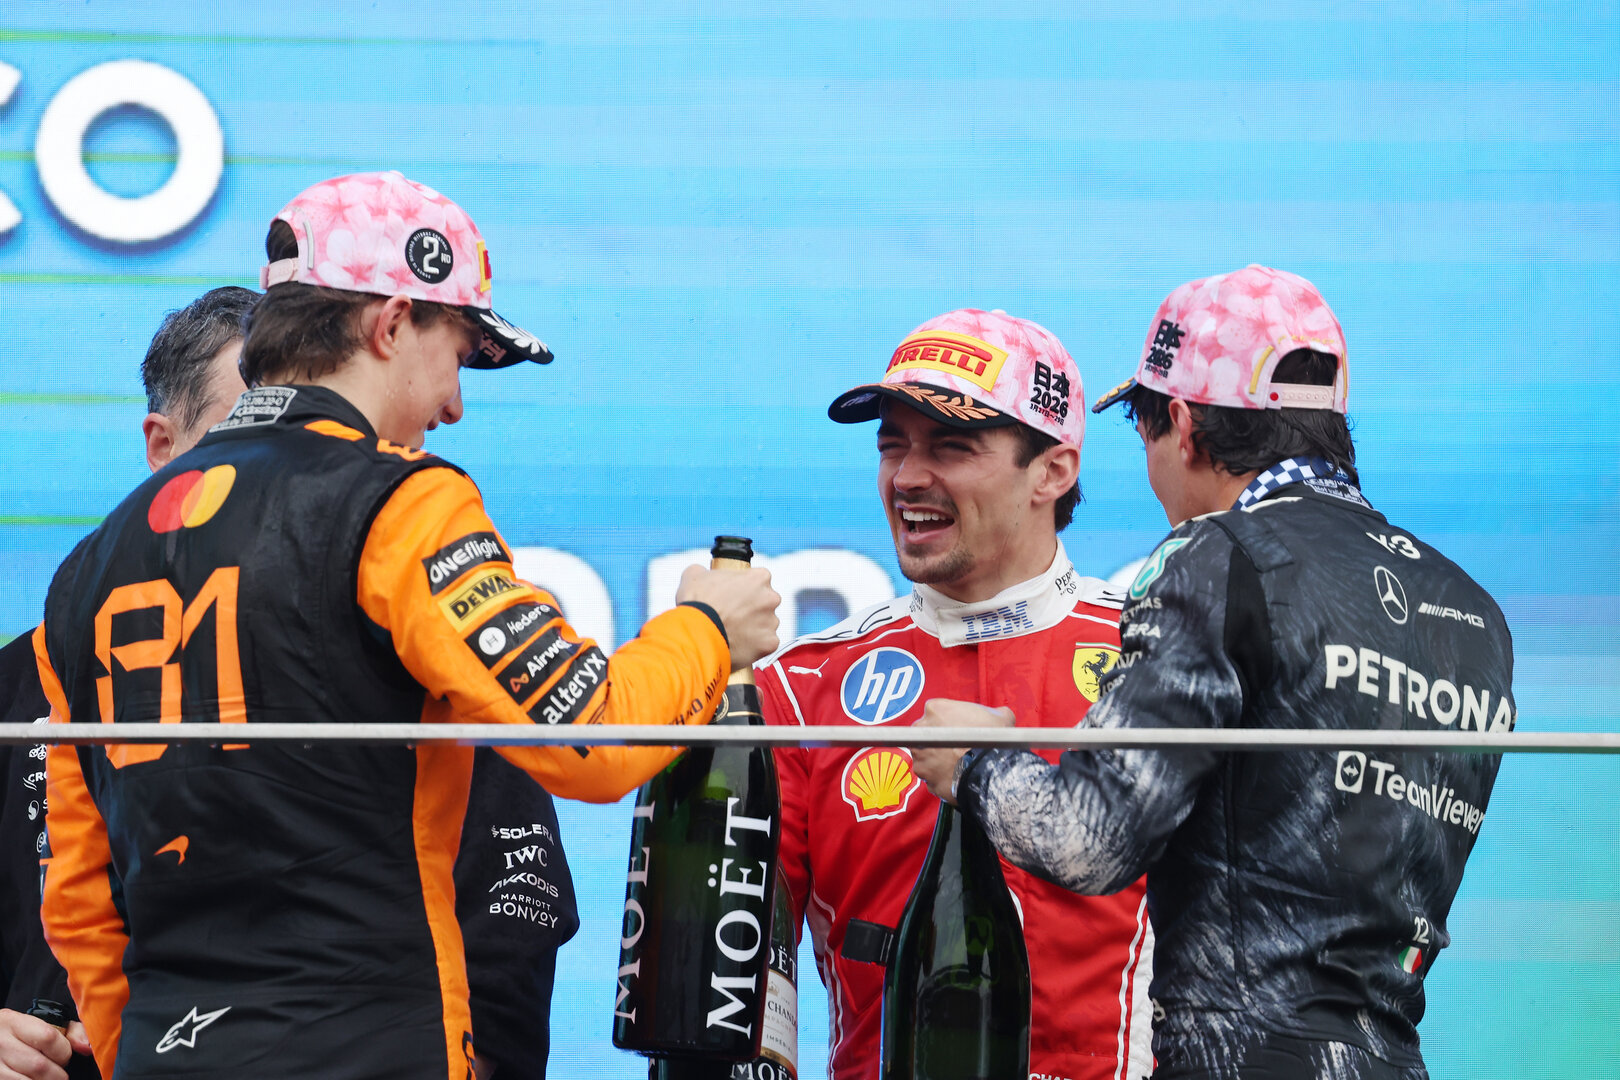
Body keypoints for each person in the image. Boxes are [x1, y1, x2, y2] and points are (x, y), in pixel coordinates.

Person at [35, 171, 780, 1080]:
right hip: (376, 1048)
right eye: (459, 354)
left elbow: (77, 902)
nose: (456, 404)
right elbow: (595, 740)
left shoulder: (88, 566)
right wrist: (708, 625)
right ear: (389, 325)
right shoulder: (399, 501)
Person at [911, 266, 1515, 1080]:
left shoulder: (1220, 557)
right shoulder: (1473, 611)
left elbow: (1090, 840)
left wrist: (975, 767)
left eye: (1145, 434)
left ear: (1186, 427)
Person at [755, 309, 1154, 1080]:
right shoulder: (804, 688)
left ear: (1053, 471)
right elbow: (744, 979)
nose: (907, 476)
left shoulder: (1157, 662)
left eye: (952, 446)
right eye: (892, 446)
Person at [0, 286, 257, 1080]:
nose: (285, 474)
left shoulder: (391, 665)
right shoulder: (23, 675)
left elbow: (498, 958)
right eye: (251, 436)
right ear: (163, 445)